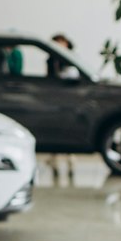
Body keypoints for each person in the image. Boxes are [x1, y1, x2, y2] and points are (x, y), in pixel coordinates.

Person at [45, 33, 79, 185]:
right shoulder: (51, 60)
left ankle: (71, 157)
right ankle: (54, 158)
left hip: (70, 99)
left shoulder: (72, 58)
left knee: (70, 127)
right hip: (54, 98)